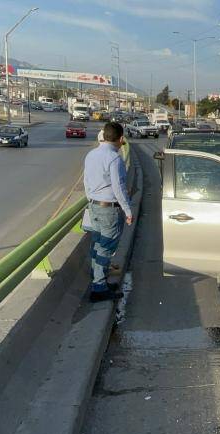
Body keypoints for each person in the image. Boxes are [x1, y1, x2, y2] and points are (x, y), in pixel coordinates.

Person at [83, 122, 133, 302]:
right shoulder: (114, 158)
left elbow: (86, 182)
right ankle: (98, 288)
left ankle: (99, 281)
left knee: (97, 244)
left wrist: (91, 200)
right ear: (120, 139)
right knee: (106, 248)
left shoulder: (91, 154)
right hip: (109, 209)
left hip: (94, 205)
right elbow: (118, 188)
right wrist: (128, 210)